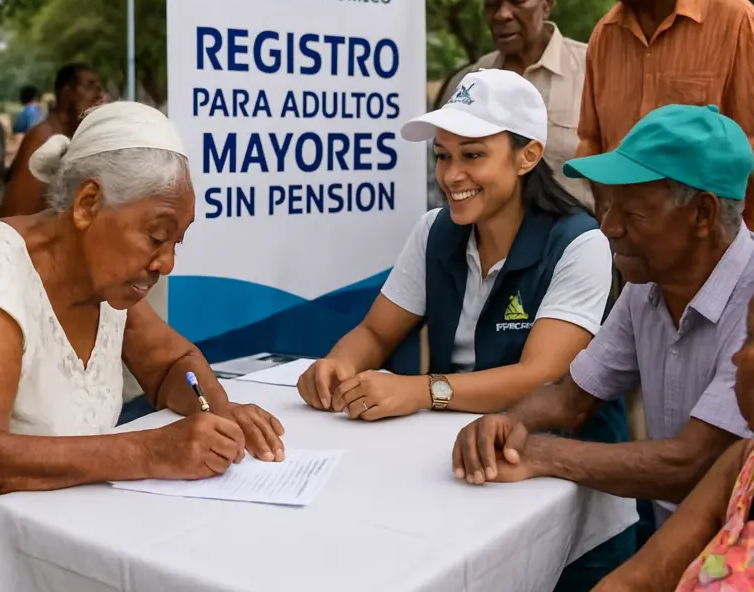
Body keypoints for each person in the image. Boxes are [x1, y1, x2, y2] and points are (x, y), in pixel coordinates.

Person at [298, 69, 632, 590]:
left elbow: (541, 377)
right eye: (442, 155)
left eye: (472, 155)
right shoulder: (434, 230)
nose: (451, 174)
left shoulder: (579, 242)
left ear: (527, 156)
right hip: (464, 473)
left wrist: (419, 391)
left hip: (566, 492)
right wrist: (338, 365)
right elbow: (376, 332)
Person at [453, 104, 754, 538]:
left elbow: (694, 463)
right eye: (608, 206)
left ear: (703, 214)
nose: (609, 227)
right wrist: (510, 423)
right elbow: (571, 398)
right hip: (678, 537)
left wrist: (537, 454)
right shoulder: (645, 286)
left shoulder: (751, 304)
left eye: (632, 214)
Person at [0, 101, 284, 495]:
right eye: (157, 238)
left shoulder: (103, 282)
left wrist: (215, 410)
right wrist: (147, 452)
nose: (167, 263)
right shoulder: (0, 271)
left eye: (176, 243)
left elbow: (173, 364)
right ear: (88, 203)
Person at [573, 0, 754, 225]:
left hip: (717, 259)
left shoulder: (737, 23)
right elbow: (591, 144)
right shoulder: (604, 36)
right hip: (628, 256)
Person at [592, 295, 754, 592]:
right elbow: (636, 580)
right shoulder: (743, 465)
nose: (737, 357)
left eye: (751, 338)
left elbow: (685, 460)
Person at [435, 0, 590, 207]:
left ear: (547, 2)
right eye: (492, 3)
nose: (502, 15)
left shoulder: (592, 70)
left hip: (578, 239)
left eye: (517, 1)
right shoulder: (470, 81)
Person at [0, 63, 104, 217]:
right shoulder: (43, 137)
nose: (98, 95)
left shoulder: (71, 137)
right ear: (68, 93)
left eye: (99, 88)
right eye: (89, 86)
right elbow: (15, 214)